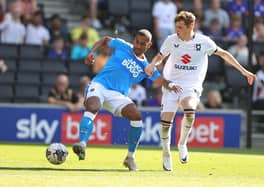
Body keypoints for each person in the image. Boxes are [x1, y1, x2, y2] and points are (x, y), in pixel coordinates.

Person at [145, 11, 256, 171]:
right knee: (165, 124)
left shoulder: (204, 42)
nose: (177, 30)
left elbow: (224, 54)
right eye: (176, 27)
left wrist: (244, 71)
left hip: (191, 85)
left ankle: (182, 144)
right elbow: (159, 56)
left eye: (180, 27)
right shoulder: (171, 40)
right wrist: (152, 64)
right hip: (171, 84)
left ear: (191, 26)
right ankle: (166, 153)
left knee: (190, 110)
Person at [72, 29, 182, 171]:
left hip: (117, 95)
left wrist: (171, 85)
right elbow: (105, 39)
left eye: (142, 44)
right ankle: (82, 144)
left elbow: (159, 79)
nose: (137, 46)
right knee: (93, 106)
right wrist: (91, 52)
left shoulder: (146, 66)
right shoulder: (123, 45)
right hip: (100, 85)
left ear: (148, 45)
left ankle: (130, 157)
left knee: (136, 116)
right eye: (136, 42)